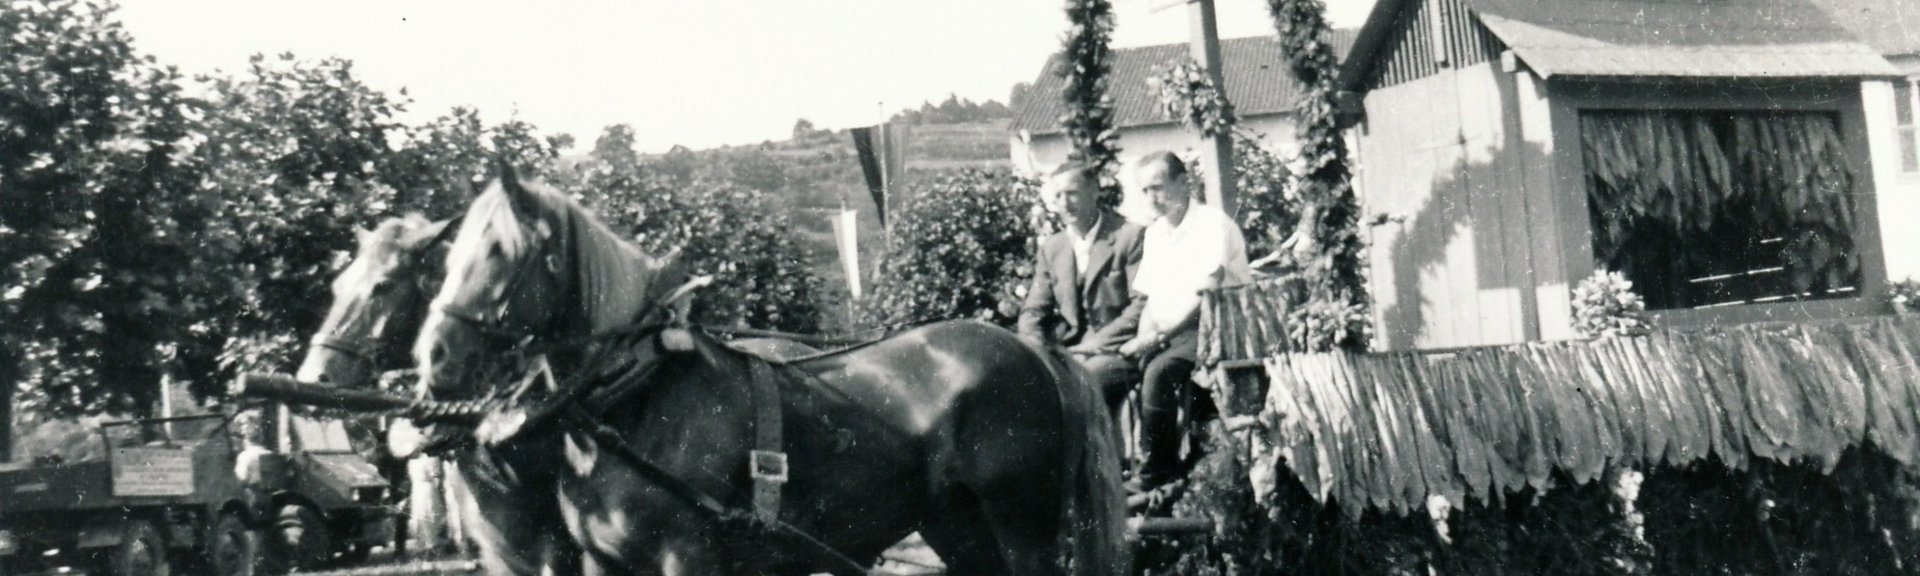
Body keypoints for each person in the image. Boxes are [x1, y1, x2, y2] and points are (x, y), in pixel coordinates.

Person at [1118, 151, 1250, 490]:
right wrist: (1144, 338)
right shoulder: (1155, 234)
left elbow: (1206, 295)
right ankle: (1124, 466)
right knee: (1120, 370)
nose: (1151, 198)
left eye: (1158, 187)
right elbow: (1150, 301)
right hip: (1173, 334)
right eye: (1144, 190)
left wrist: (1157, 337)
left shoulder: (1211, 224)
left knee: (1159, 372)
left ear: (1183, 182)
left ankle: (1157, 472)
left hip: (1217, 327)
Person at [1017, 162, 1147, 414]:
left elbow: (1142, 304)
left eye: (1072, 193)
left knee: (1081, 384)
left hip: (1118, 350)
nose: (1065, 203)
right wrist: (1036, 353)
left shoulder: (1129, 236)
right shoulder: (1053, 248)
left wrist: (1095, 345)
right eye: (1058, 195)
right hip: (1069, 351)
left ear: (1095, 191)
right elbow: (1033, 311)